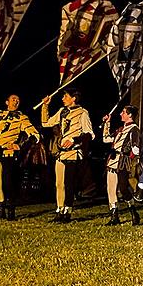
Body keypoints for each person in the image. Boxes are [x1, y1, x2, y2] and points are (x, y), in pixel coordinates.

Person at [0, 85, 40, 221]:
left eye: (18, 100)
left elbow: (35, 135)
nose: (16, 101)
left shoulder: (22, 117)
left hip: (9, 152)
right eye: (13, 99)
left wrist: (20, 145)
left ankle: (11, 211)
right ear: (7, 102)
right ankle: (0, 211)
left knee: (9, 182)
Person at [41, 88, 95, 223]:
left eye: (65, 96)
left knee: (69, 183)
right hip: (61, 153)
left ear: (73, 98)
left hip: (73, 152)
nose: (62, 99)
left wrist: (74, 140)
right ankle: (59, 210)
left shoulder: (83, 113)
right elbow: (46, 123)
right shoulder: (62, 111)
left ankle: (67, 212)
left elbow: (89, 134)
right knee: (59, 184)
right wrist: (45, 106)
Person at [101, 105, 143, 226]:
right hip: (112, 161)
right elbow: (106, 139)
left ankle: (133, 210)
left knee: (123, 188)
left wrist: (132, 157)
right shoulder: (120, 129)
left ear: (130, 115)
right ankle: (114, 216)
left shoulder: (134, 129)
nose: (121, 114)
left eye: (123, 112)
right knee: (111, 189)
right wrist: (107, 124)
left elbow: (137, 149)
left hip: (123, 162)